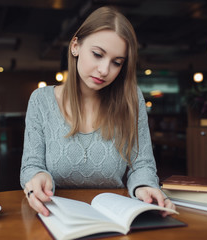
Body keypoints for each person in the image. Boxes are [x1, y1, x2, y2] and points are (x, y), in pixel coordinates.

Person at [20, 6, 175, 217]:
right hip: (56, 214)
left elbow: (142, 164)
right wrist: (37, 176)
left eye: (116, 63)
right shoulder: (41, 100)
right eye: (97, 55)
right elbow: (31, 164)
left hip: (114, 215)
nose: (104, 70)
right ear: (75, 46)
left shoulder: (131, 98)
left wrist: (144, 187)